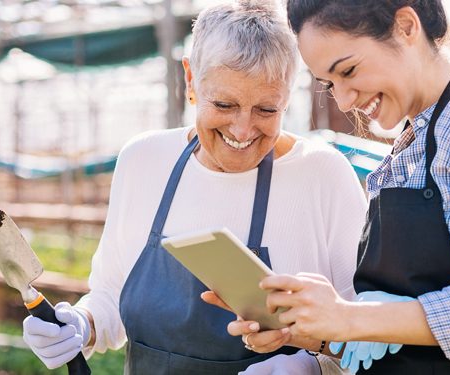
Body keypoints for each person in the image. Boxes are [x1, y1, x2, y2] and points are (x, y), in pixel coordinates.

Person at [208, 0, 450, 374]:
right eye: (330, 84)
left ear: (406, 27)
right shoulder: (405, 153)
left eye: (348, 70)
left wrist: (351, 317)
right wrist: (305, 329)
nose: (344, 100)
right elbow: (393, 344)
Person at [18, 1, 365, 373]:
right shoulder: (144, 161)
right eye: (224, 104)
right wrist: (82, 324)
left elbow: (371, 340)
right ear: (190, 81)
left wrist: (308, 367)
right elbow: (111, 295)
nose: (243, 129)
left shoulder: (321, 176)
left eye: (266, 110)